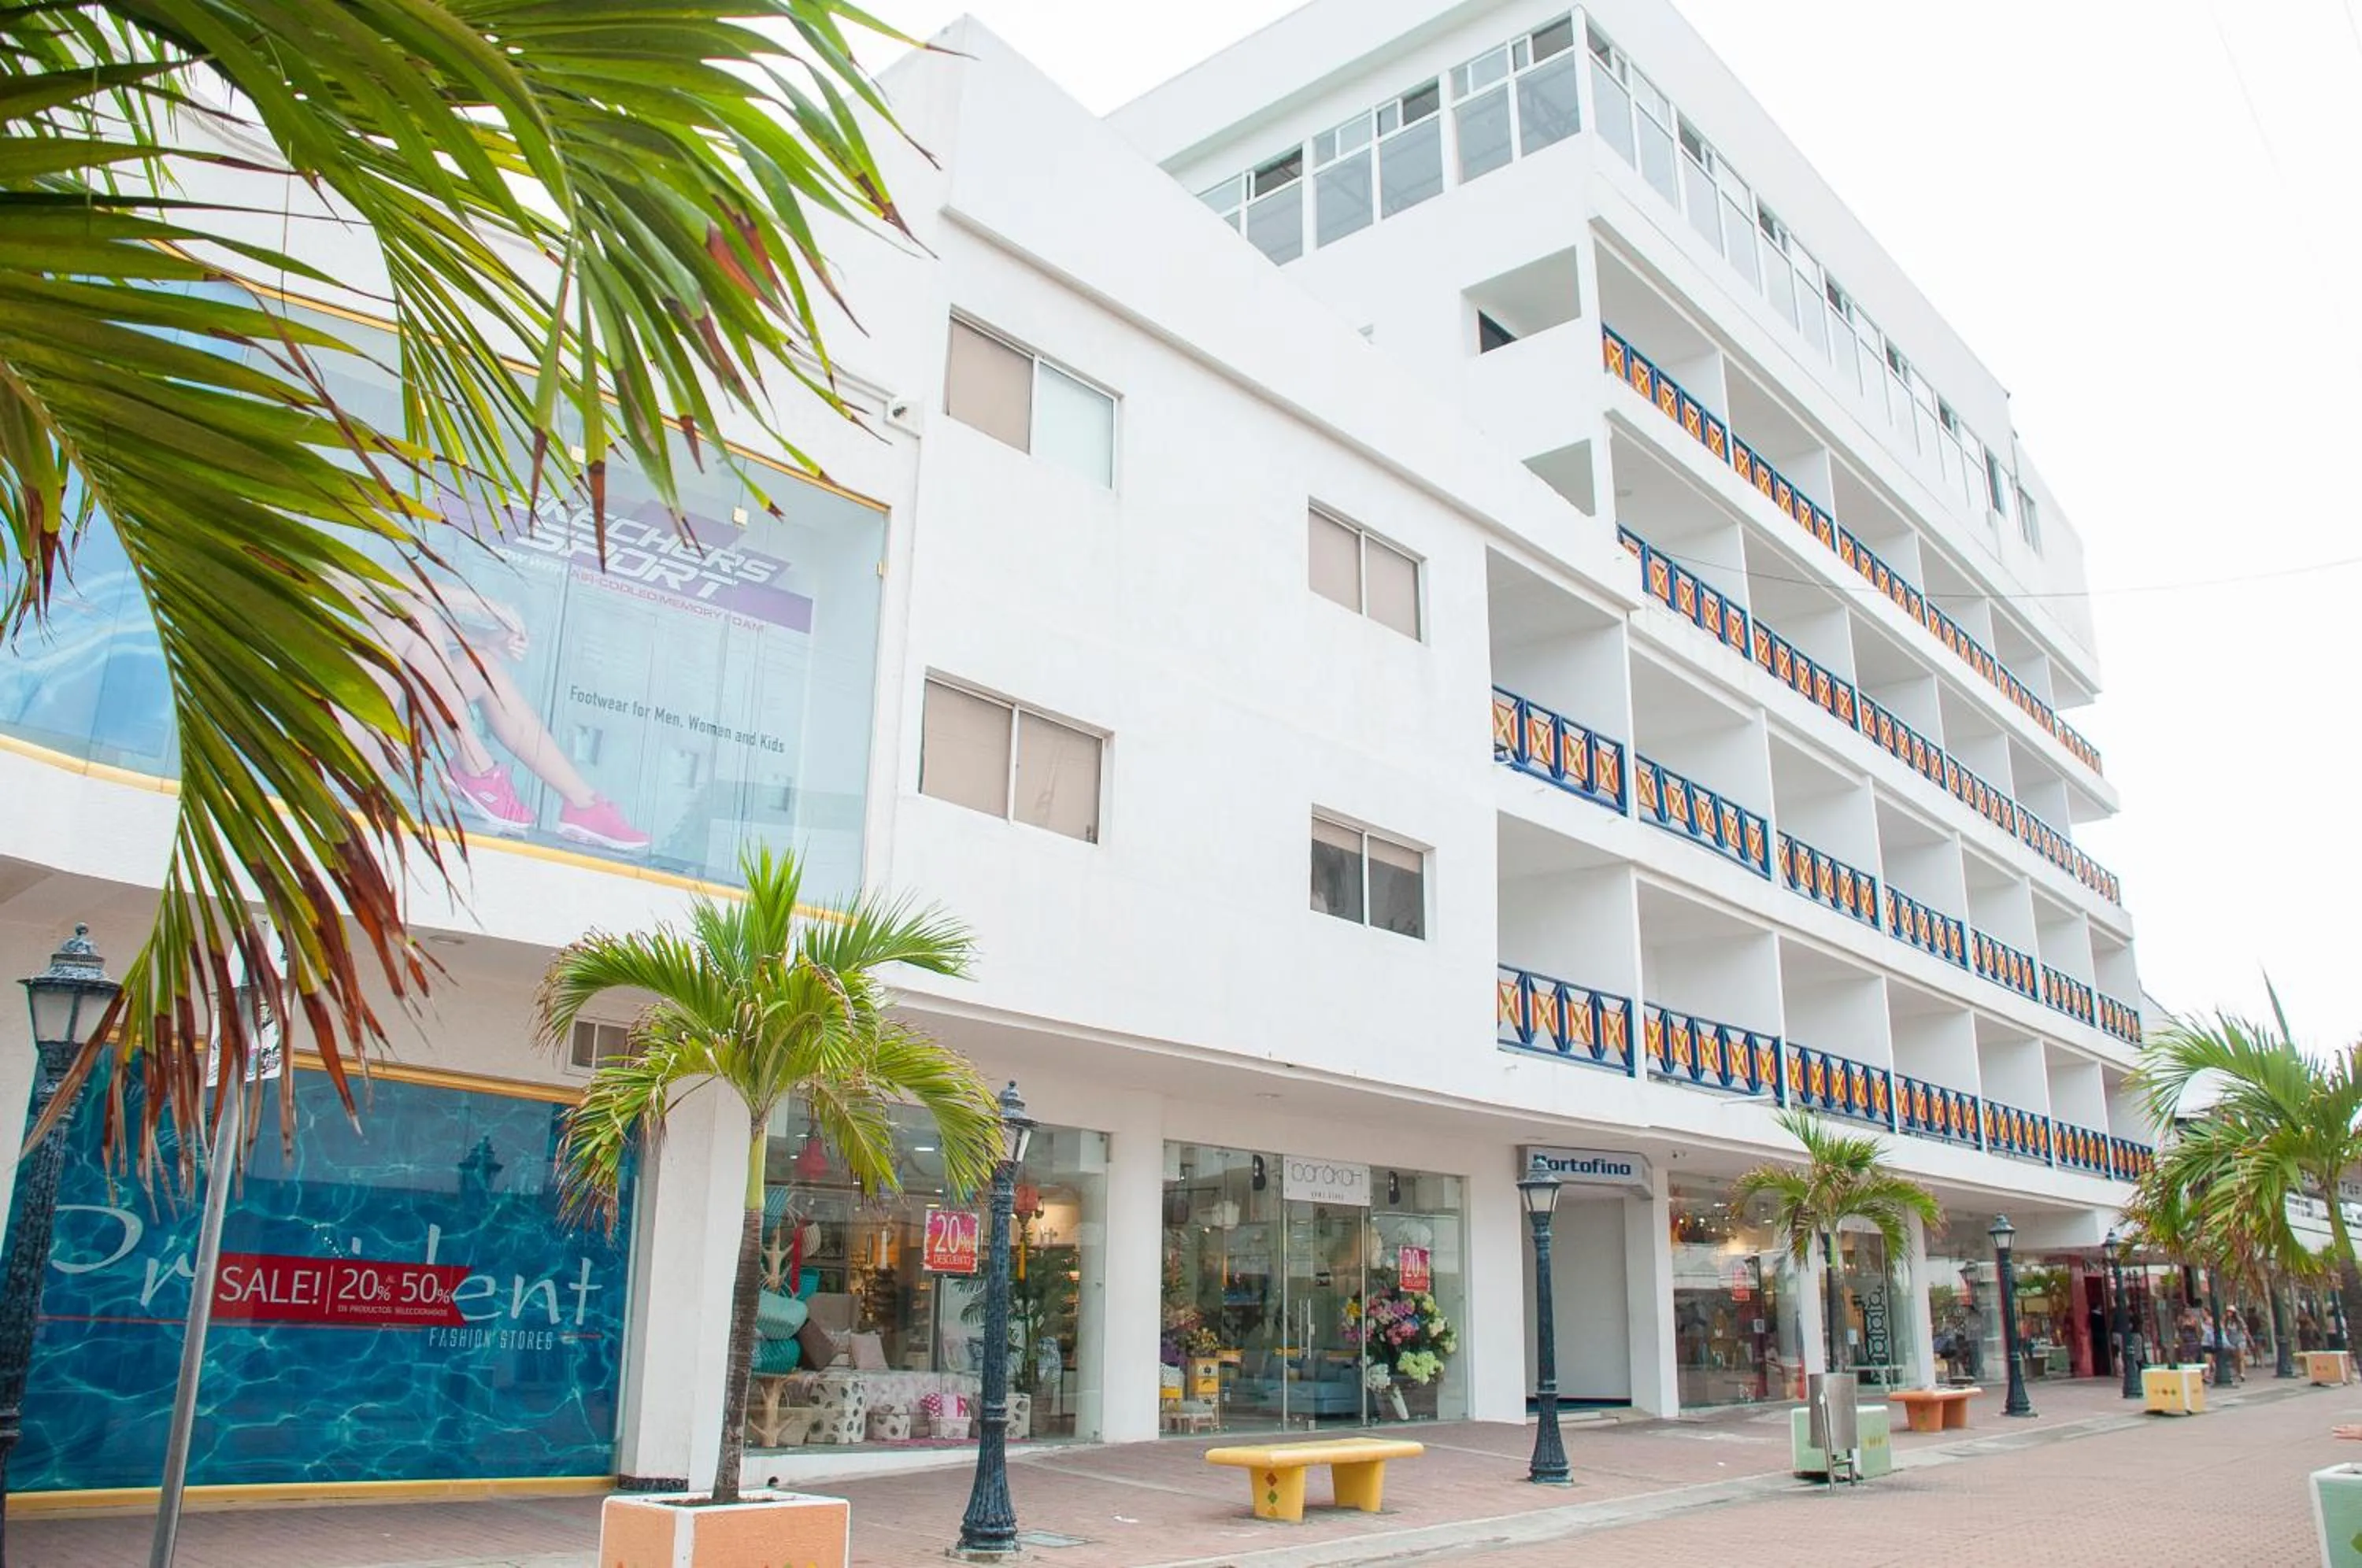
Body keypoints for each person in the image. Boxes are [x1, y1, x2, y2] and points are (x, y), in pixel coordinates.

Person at [350, 575, 652, 852]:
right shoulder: (308, 561)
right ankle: (476, 768)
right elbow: (386, 594)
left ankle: (583, 805)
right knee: (409, 613)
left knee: (479, 665)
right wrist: (477, 602)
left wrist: (483, 638)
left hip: (375, 738)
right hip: (335, 739)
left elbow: (396, 613)